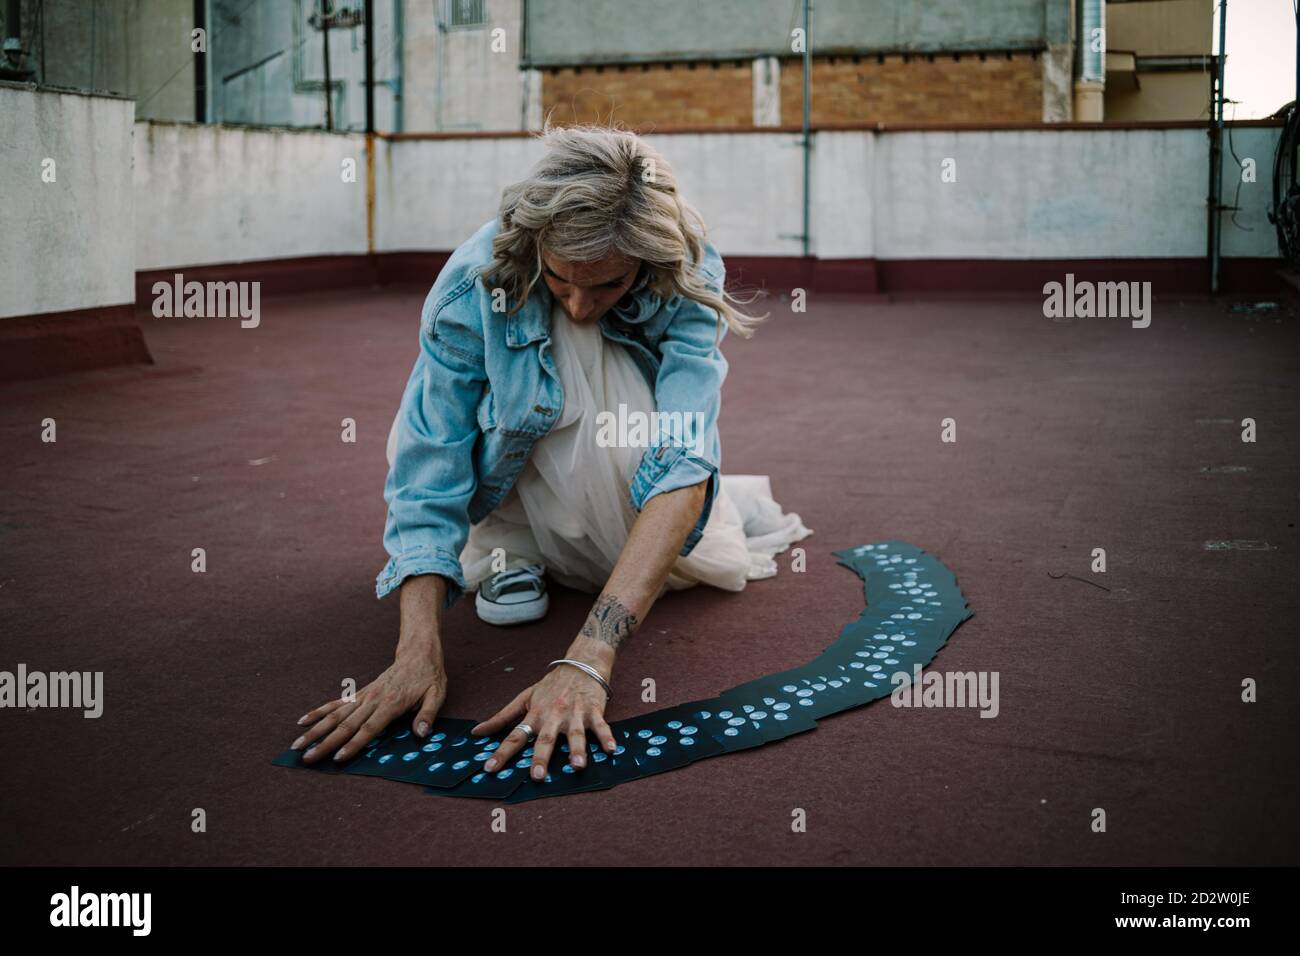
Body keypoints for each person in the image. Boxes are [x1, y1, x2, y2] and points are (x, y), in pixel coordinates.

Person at [291, 123, 811, 782]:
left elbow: (682, 454)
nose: (580, 301)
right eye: (564, 280)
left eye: (609, 286)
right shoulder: (472, 283)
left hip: (614, 450)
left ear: (646, 265)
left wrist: (589, 657)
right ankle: (514, 542)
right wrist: (414, 649)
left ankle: (564, 549)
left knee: (582, 350)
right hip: (504, 467)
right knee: (425, 413)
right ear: (536, 243)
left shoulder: (685, 270)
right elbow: (430, 460)